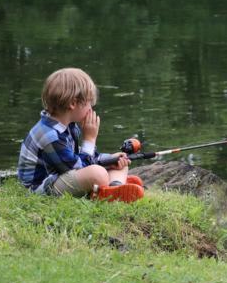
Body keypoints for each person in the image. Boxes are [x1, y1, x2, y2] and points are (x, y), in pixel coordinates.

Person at [17, 68, 144, 203]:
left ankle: (114, 186)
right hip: (41, 189)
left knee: (118, 159)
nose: (91, 109)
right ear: (72, 103)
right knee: (97, 173)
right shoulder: (50, 136)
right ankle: (109, 188)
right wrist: (90, 139)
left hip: (64, 173)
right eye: (89, 103)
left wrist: (111, 160)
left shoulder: (68, 125)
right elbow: (78, 167)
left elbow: (83, 159)